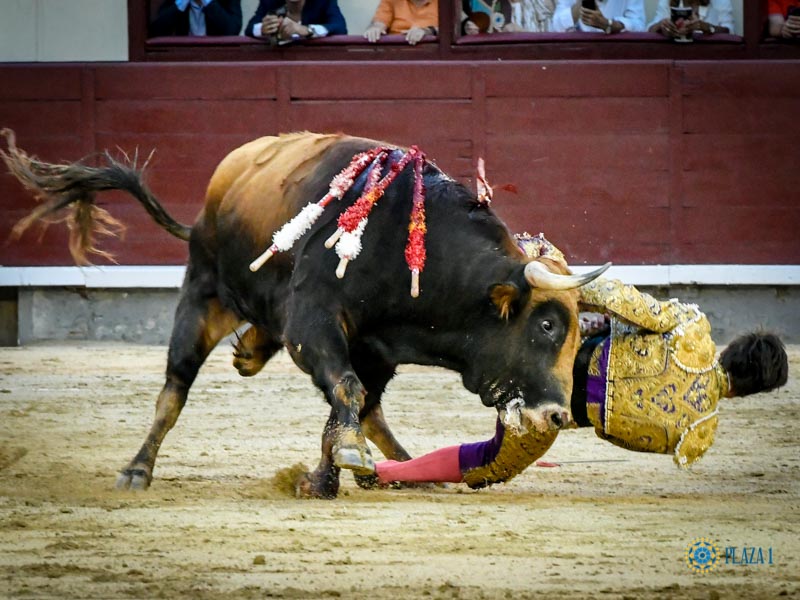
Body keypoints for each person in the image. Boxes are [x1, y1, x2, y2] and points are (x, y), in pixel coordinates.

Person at [372, 234, 789, 488]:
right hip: (544, 416)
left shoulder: (691, 331)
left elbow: (612, 297)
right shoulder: (698, 437)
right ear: (752, 392)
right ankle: (392, 472)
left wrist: (564, 296)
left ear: (731, 348)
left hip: (541, 344)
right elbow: (614, 434)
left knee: (542, 251)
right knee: (491, 465)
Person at [244, 0, 347, 42]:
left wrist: (307, 30)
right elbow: (250, 28)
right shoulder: (270, 1)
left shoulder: (323, 1)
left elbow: (340, 27)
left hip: (315, 62)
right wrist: (262, 28)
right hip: (278, 61)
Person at [149, 0, 243, 37]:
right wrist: (182, 3)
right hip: (183, 59)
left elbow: (233, 29)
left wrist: (207, 2)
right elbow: (157, 30)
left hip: (217, 58)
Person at [363, 0, 439, 45]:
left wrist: (427, 31)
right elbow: (379, 23)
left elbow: (449, 31)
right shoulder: (392, 1)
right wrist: (375, 29)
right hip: (396, 56)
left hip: (431, 57)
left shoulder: (445, 3)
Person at [647, 0, 734, 39]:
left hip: (710, 58)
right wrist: (662, 25)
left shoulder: (720, 1)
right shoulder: (667, 1)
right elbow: (649, 30)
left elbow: (730, 32)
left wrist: (707, 28)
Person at [462, 0, 556, 34]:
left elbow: (551, 40)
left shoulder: (540, 4)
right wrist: (467, 27)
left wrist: (523, 34)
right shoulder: (483, 4)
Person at [551, 0, 645, 33]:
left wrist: (610, 25)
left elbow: (640, 26)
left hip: (615, 54)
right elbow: (555, 27)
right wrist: (581, 3)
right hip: (578, 53)